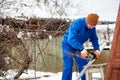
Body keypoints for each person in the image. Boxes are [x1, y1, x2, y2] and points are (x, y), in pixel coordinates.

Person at [61, 13, 100, 80]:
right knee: (68, 66)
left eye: (93, 26)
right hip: (67, 45)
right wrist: (81, 49)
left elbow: (94, 38)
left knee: (84, 64)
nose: (91, 27)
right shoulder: (77, 24)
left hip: (78, 46)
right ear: (87, 21)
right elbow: (71, 39)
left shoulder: (92, 28)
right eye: (90, 25)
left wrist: (97, 49)